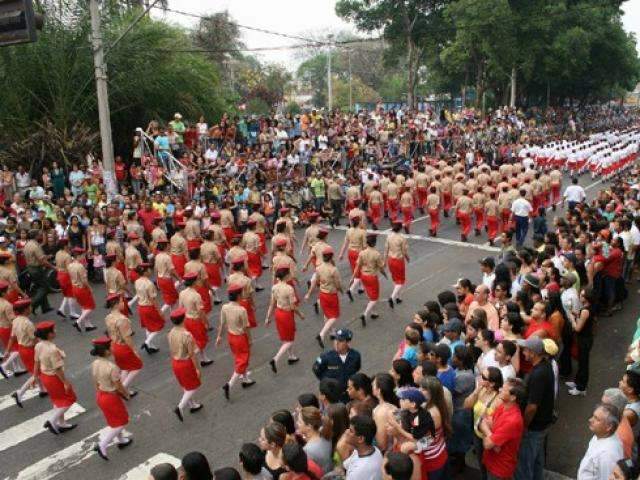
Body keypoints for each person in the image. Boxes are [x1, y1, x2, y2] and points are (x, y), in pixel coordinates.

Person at [514, 337, 555, 480]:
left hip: (534, 427)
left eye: (525, 350)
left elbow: (532, 406)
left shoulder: (538, 374)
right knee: (537, 460)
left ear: (532, 352)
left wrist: (524, 426)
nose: (523, 353)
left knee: (524, 464)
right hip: (542, 425)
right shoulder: (545, 365)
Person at [90, 336, 133, 460]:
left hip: (101, 395)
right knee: (121, 422)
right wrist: (126, 394)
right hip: (111, 397)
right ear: (107, 351)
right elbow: (118, 386)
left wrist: (99, 391)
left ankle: (121, 440)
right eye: (110, 347)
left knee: (114, 421)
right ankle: (103, 444)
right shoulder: (111, 367)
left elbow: (95, 381)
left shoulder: (95, 363)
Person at [33, 321, 78, 435]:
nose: (55, 331)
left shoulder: (39, 345)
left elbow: (36, 362)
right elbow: (57, 369)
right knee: (70, 398)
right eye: (53, 330)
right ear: (49, 334)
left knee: (58, 400)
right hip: (55, 378)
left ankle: (61, 423)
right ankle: (52, 420)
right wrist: (65, 382)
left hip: (45, 376)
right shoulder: (52, 349)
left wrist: (35, 376)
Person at [479, 377, 526, 480]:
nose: (499, 389)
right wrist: (494, 442)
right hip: (491, 461)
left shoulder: (513, 420)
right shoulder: (503, 406)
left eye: (504, 389)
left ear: (513, 397)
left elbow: (487, 444)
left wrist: (486, 431)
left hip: (499, 469)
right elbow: (485, 420)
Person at [217, 283, 255, 400]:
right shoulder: (241, 310)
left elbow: (222, 323)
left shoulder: (225, 307)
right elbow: (246, 327)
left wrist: (219, 336)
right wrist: (250, 339)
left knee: (238, 357)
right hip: (240, 337)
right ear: (239, 296)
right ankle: (229, 384)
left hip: (231, 336)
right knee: (243, 360)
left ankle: (245, 379)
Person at [167, 307, 203, 422]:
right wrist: (197, 368)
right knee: (194, 385)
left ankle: (192, 404)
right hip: (185, 363)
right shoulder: (186, 335)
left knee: (185, 385)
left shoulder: (171, 333)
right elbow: (192, 354)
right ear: (183, 319)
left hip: (175, 362)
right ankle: (180, 406)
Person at [104, 292, 143, 396]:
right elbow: (127, 338)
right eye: (121, 301)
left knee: (125, 368)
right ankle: (123, 388)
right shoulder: (122, 319)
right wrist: (134, 351)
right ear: (116, 304)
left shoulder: (108, 317)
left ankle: (123, 388)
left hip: (113, 345)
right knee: (137, 367)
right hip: (122, 347)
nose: (123, 303)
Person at [265, 266, 302, 373]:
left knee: (286, 337)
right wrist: (300, 314)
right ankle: (275, 359)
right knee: (290, 339)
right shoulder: (289, 289)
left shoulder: (274, 287)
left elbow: (272, 303)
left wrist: (268, 317)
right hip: (286, 314)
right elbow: (293, 306)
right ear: (286, 276)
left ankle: (291, 356)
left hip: (278, 313)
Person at [305, 246, 343, 349]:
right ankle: (321, 334)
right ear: (331, 257)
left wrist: (309, 293)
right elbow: (338, 283)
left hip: (322, 294)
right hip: (331, 294)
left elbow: (315, 282)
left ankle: (332, 332)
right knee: (334, 316)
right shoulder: (333, 269)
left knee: (327, 314)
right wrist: (341, 290)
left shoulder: (318, 268)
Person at [577, 404, 624, 480]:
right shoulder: (600, 435)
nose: (590, 420)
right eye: (593, 416)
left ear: (609, 427)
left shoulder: (608, 455)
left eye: (597, 419)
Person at [312, 329, 361, 399]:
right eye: (335, 339)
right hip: (332, 396)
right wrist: (325, 382)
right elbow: (316, 369)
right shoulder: (325, 357)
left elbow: (357, 368)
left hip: (349, 395)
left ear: (348, 342)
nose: (336, 343)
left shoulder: (355, 356)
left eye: (340, 341)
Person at [352, 234, 387, 327]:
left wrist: (353, 276)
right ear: (374, 243)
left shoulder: (362, 253)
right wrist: (385, 274)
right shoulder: (376, 254)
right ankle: (365, 314)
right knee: (375, 298)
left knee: (370, 294)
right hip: (372, 276)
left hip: (363, 275)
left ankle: (373, 312)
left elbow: (357, 266)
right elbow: (381, 267)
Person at [566, 287, 596, 396]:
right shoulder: (588, 308)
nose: (580, 296)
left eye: (582, 295)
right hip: (586, 338)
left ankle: (581, 388)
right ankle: (577, 382)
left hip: (584, 340)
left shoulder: (585, 311)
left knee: (583, 364)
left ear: (587, 298)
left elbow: (577, 328)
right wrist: (576, 314)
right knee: (581, 362)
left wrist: (572, 319)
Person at [135, 262, 166, 354]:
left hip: (141, 307)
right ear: (145, 272)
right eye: (148, 269)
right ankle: (147, 342)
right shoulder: (149, 283)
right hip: (149, 307)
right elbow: (153, 299)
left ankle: (150, 346)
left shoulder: (137, 281)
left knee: (148, 327)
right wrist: (160, 311)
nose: (150, 270)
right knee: (159, 325)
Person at [343, 415, 384, 480]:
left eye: (351, 431)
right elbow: (346, 465)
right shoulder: (373, 450)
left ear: (361, 439)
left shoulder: (359, 471)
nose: (346, 431)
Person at [23, 229, 53, 314]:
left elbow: (34, 257)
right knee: (45, 288)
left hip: (30, 267)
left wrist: (47, 257)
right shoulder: (35, 246)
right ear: (36, 236)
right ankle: (32, 305)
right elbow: (42, 261)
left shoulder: (27, 244)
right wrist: (53, 267)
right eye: (39, 235)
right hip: (37, 269)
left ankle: (45, 307)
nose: (41, 236)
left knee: (40, 286)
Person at [68, 247, 97, 332]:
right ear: (78, 256)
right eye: (82, 255)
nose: (83, 257)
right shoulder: (80, 266)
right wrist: (90, 288)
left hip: (74, 287)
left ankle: (88, 325)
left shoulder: (70, 265)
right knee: (90, 306)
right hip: (81, 288)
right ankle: (78, 321)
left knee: (84, 306)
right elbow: (84, 280)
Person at [384, 221, 409, 308]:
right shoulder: (402, 238)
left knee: (395, 279)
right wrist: (407, 257)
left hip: (390, 260)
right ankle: (392, 297)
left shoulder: (389, 236)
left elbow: (386, 250)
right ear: (400, 228)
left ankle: (398, 297)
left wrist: (384, 261)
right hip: (398, 260)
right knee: (401, 281)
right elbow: (403, 251)